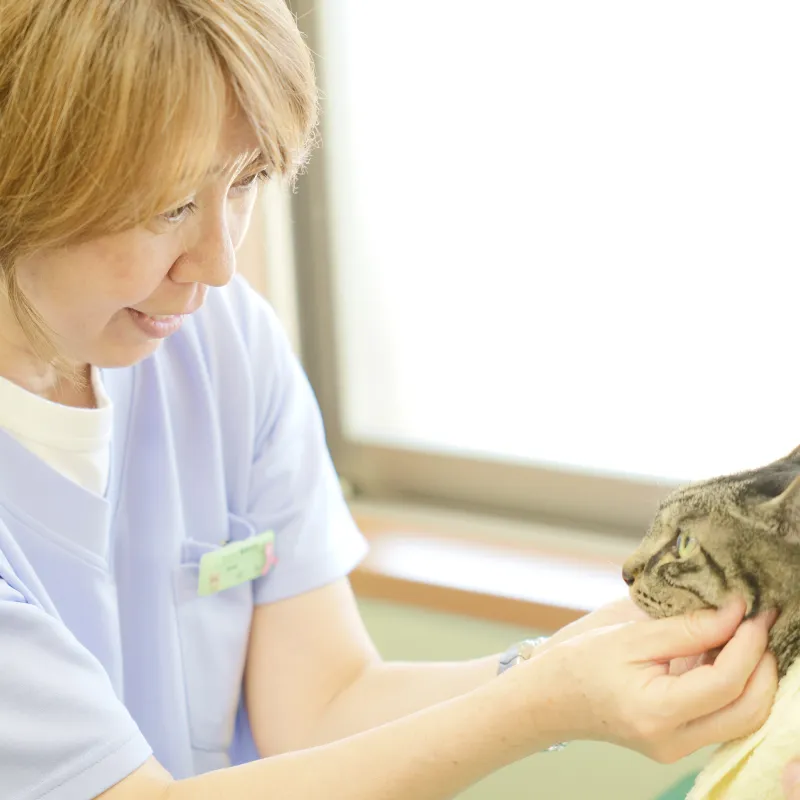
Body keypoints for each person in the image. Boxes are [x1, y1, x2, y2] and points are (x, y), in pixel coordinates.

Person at [0, 2, 779, 799]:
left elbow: (323, 707)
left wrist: (611, 643)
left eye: (245, 183)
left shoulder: (220, 344)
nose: (219, 264)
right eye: (169, 206)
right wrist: (541, 707)